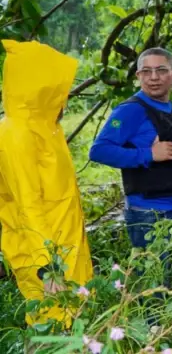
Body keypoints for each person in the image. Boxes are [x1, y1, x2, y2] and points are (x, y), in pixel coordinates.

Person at [89, 47, 172, 283]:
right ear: (138, 76)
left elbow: (169, 144)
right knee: (152, 285)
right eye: (146, 71)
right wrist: (148, 154)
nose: (153, 77)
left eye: (161, 70)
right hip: (150, 213)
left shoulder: (171, 107)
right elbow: (99, 150)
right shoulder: (131, 110)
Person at [0, 40, 93, 326]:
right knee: (53, 326)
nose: (64, 97)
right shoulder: (15, 134)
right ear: (38, 88)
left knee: (77, 325)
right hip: (47, 259)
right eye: (57, 89)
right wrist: (48, 267)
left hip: (68, 247)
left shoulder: (46, 127)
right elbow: (26, 205)